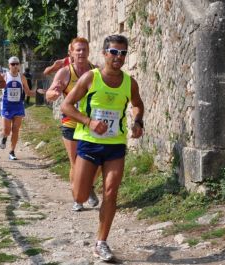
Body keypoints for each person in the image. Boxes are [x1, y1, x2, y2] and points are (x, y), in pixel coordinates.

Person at [61, 34, 144, 261]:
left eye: (123, 53)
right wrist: (89, 122)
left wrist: (138, 122)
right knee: (79, 195)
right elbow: (66, 106)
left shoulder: (129, 83)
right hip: (89, 143)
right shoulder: (90, 78)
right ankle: (88, 180)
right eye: (114, 52)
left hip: (115, 144)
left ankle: (101, 242)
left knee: (111, 192)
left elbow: (137, 105)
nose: (118, 57)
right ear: (105, 53)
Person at [46, 37, 100, 212]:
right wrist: (53, 94)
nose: (81, 53)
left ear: (89, 51)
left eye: (84, 49)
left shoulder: (95, 71)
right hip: (70, 123)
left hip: (91, 123)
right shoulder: (65, 72)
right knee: (76, 163)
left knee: (97, 162)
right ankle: (77, 198)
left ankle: (88, 187)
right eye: (78, 50)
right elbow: (50, 93)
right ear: (71, 53)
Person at [0, 57, 35, 160]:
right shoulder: (4, 76)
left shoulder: (22, 77)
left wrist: (39, 92)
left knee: (16, 129)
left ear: (19, 65)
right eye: (12, 64)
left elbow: (28, 92)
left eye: (16, 64)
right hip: (7, 106)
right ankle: (3, 136)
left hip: (18, 105)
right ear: (9, 65)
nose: (15, 66)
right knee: (7, 130)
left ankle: (12, 151)